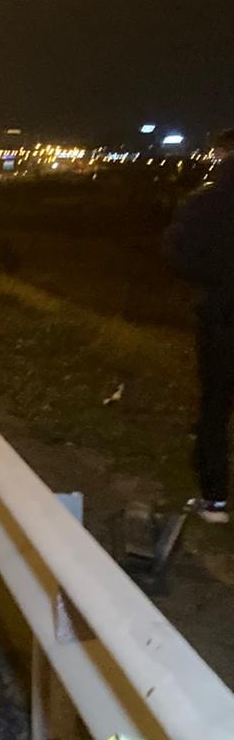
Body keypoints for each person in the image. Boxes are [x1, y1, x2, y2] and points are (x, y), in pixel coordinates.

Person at [165, 127, 234, 523]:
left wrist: (216, 279)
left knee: (215, 406)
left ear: (222, 153)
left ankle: (216, 500)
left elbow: (176, 253)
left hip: (223, 318)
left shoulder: (207, 201)